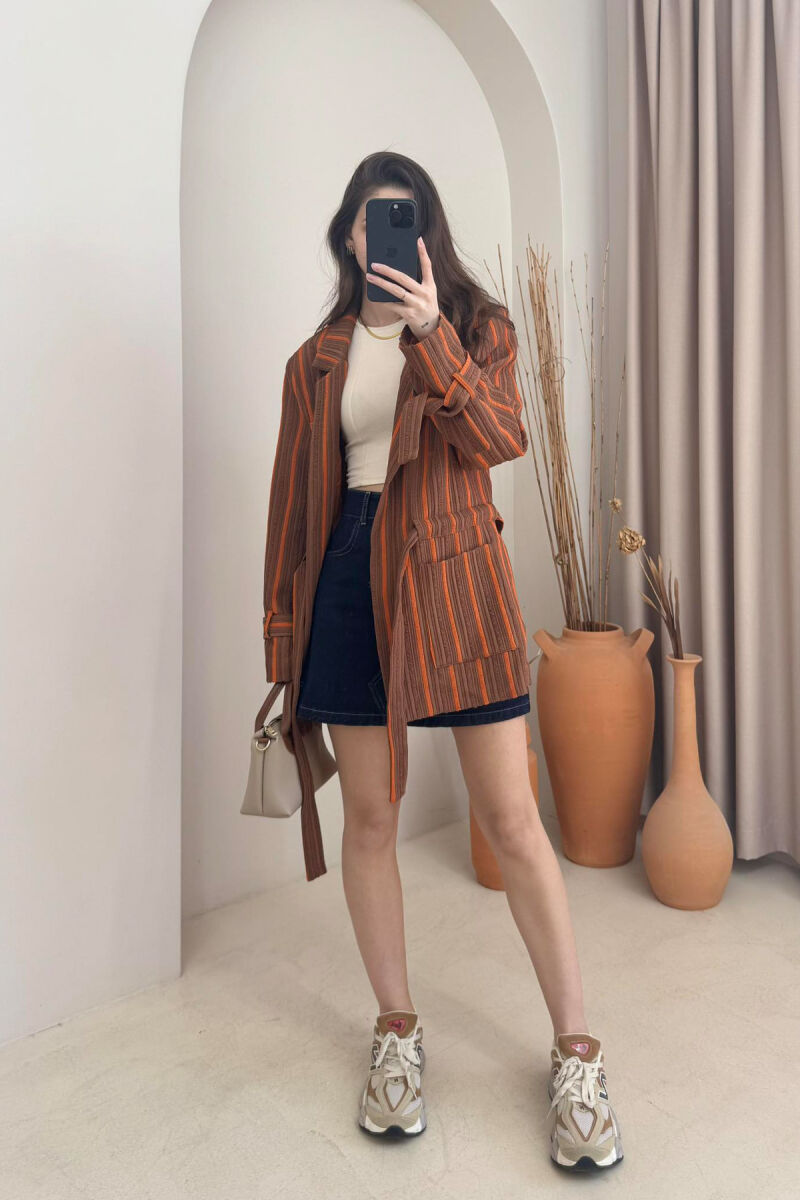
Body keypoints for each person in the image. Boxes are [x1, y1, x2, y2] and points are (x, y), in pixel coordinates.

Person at [261, 152, 623, 1170]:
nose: (385, 231)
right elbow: (291, 507)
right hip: (347, 575)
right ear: (348, 236)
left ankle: (577, 1053)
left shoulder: (477, 325)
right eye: (370, 218)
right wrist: (281, 641)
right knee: (370, 820)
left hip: (457, 572)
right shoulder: (314, 359)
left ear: (425, 230)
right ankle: (396, 1033)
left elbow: (502, 438)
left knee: (511, 820)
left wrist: (431, 335)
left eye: (404, 215)